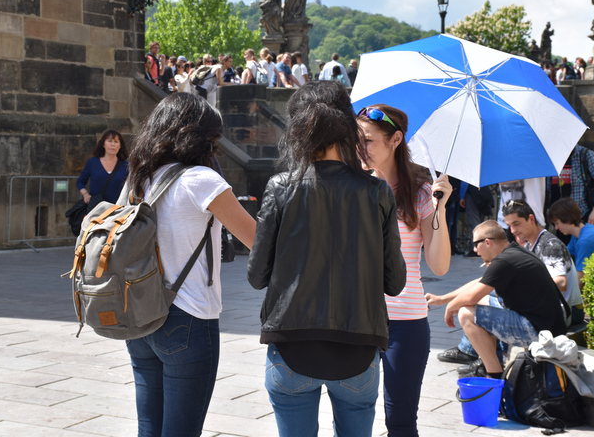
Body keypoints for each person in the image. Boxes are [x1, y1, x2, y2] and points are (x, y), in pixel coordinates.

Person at [248, 82, 406, 437]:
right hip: (358, 352)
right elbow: (395, 283)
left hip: (291, 348)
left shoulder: (281, 187)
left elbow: (256, 276)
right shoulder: (377, 192)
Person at [124, 92, 257, 437]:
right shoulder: (202, 181)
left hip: (140, 314)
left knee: (149, 428)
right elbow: (257, 240)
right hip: (188, 315)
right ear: (199, 137)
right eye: (213, 139)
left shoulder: (138, 179)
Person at [356, 104, 452, 437]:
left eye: (367, 141)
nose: (359, 149)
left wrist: (439, 207)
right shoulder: (352, 187)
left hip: (406, 322)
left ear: (395, 139)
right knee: (354, 418)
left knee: (400, 422)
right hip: (356, 319)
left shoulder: (422, 194)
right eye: (356, 140)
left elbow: (439, 266)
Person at [433, 220, 568, 378]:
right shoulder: (513, 252)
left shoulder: (504, 261)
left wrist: (450, 308)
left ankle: (494, 374)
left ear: (487, 242)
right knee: (479, 301)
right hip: (546, 323)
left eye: (476, 244)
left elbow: (470, 296)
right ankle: (489, 364)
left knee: (466, 313)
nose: (475, 250)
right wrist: (441, 299)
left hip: (539, 331)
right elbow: (478, 284)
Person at [502, 199, 584, 325]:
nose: (512, 230)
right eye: (509, 226)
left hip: (563, 313)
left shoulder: (550, 244)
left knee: (480, 313)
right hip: (545, 310)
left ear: (531, 219)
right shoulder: (530, 245)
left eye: (516, 224)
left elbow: (561, 283)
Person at [548, 197, 594, 288]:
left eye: (557, 223)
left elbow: (578, 282)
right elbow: (563, 256)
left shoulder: (585, 241)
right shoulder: (582, 231)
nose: (556, 228)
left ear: (567, 219)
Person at [77, 129, 130, 207]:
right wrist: (85, 195)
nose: (113, 144)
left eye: (116, 141)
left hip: (117, 208)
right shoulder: (93, 162)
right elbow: (80, 182)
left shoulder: (126, 165)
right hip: (96, 207)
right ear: (103, 144)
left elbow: (131, 186)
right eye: (109, 141)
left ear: (120, 146)